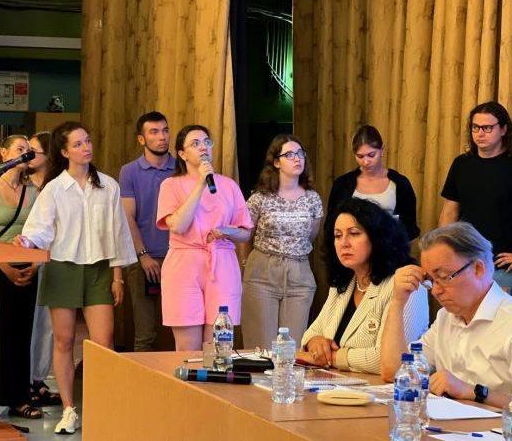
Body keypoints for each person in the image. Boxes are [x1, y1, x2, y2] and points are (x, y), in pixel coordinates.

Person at [15, 121, 136, 435]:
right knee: (64, 340)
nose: (86, 148)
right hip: (62, 267)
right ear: (65, 151)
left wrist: (118, 276)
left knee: (103, 343)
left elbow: (118, 233)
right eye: (79, 144)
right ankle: (69, 409)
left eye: (88, 141)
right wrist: (27, 241)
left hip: (99, 269)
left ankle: (102, 406)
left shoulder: (108, 185)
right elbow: (40, 229)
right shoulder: (54, 188)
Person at [381, 222, 512, 409]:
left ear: (478, 268)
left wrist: (473, 392)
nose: (435, 291)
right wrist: (397, 302)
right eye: (431, 280)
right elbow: (395, 372)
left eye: (443, 277)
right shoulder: (445, 317)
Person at [297, 198, 428, 374]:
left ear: (377, 237)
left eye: (354, 233)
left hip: (386, 390)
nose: (344, 243)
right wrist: (315, 343)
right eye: (338, 235)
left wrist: (333, 358)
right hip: (337, 384)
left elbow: (389, 360)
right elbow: (311, 333)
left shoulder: (406, 285)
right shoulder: (342, 284)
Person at [156, 125, 253, 351]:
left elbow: (245, 232)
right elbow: (178, 225)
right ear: (182, 154)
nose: (203, 147)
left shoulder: (228, 185)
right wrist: (201, 183)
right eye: (195, 143)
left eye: (207, 142)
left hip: (222, 263)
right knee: (187, 347)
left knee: (218, 347)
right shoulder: (171, 185)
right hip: (184, 264)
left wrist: (227, 231)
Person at [439, 101, 512, 297]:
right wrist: (445, 251)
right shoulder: (462, 164)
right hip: (463, 263)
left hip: (502, 268)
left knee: (496, 317)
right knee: (458, 316)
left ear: (504, 129)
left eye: (487, 128)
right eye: (475, 127)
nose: (480, 133)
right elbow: (450, 211)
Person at [0, 135, 42, 419]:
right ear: (3, 154)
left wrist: (35, 264)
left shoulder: (34, 192)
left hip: (28, 267)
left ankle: (19, 397)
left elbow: (44, 231)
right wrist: (5, 266)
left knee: (22, 333)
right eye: (19, 149)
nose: (25, 154)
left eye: (29, 150)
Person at [240, 134, 323, 349]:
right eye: (289, 155)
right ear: (276, 162)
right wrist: (245, 263)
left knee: (291, 348)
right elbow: (246, 235)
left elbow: (311, 235)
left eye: (300, 153)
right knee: (260, 347)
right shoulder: (259, 198)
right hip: (262, 272)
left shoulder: (312, 198)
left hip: (299, 272)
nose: (297, 158)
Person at [119, 111, 175, 351]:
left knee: (180, 330)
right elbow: (127, 216)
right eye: (154, 132)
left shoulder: (181, 168)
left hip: (178, 258)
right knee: (145, 334)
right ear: (141, 139)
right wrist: (143, 255)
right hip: (143, 259)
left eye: (165, 130)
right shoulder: (129, 171)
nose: (162, 137)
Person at [327, 125, 419, 241]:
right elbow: (331, 226)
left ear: (382, 150)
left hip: (389, 248)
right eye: (360, 156)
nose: (366, 162)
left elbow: (410, 227)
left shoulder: (400, 184)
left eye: (371, 155)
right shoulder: (342, 184)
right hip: (350, 247)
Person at [25, 131, 61, 406]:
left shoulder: (57, 185)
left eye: (33, 151)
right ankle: (23, 379)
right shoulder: (22, 185)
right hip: (26, 260)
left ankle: (39, 379)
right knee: (28, 323)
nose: (27, 155)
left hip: (53, 259)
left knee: (47, 324)